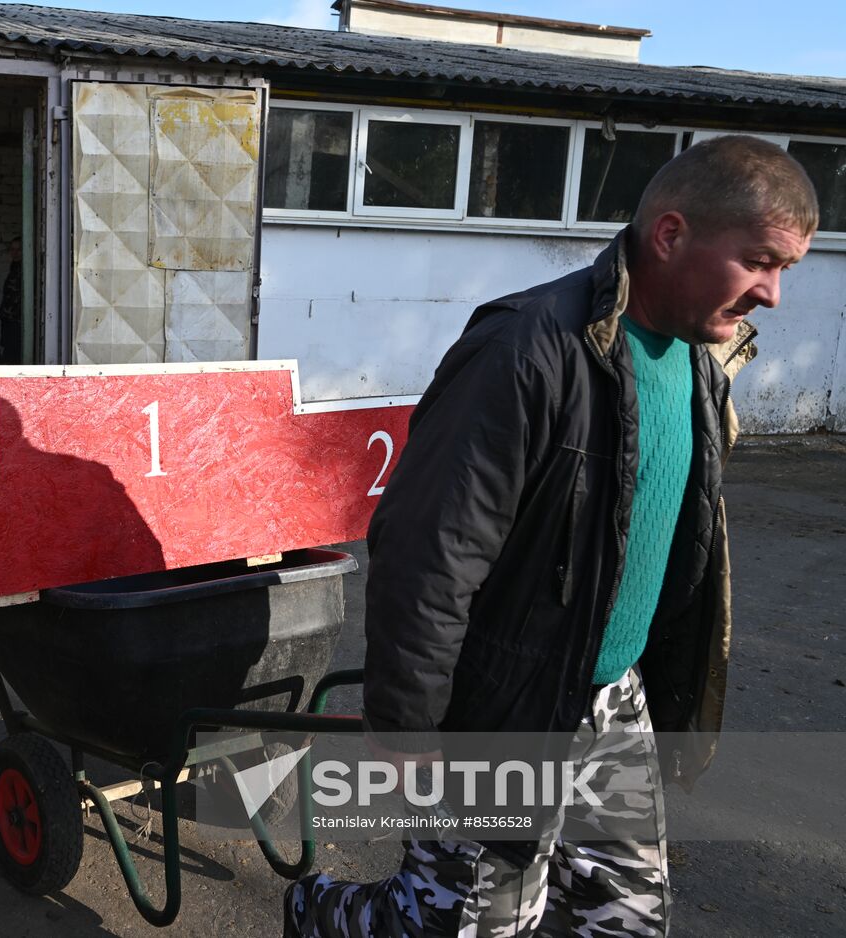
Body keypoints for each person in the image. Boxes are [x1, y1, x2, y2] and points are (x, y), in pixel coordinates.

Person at [283, 135, 817, 937]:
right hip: (507, 707)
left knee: (622, 922)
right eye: (759, 262)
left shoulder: (703, 359)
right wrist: (406, 725)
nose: (773, 294)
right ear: (670, 235)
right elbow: (431, 551)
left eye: (786, 270)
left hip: (611, 701)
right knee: (471, 927)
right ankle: (320, 913)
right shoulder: (526, 348)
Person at [0, 237, 23, 364]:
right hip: (9, 321)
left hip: (17, 322)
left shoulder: (25, 269)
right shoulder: (14, 268)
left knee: (11, 357)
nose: (15, 252)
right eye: (12, 249)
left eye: (19, 249)